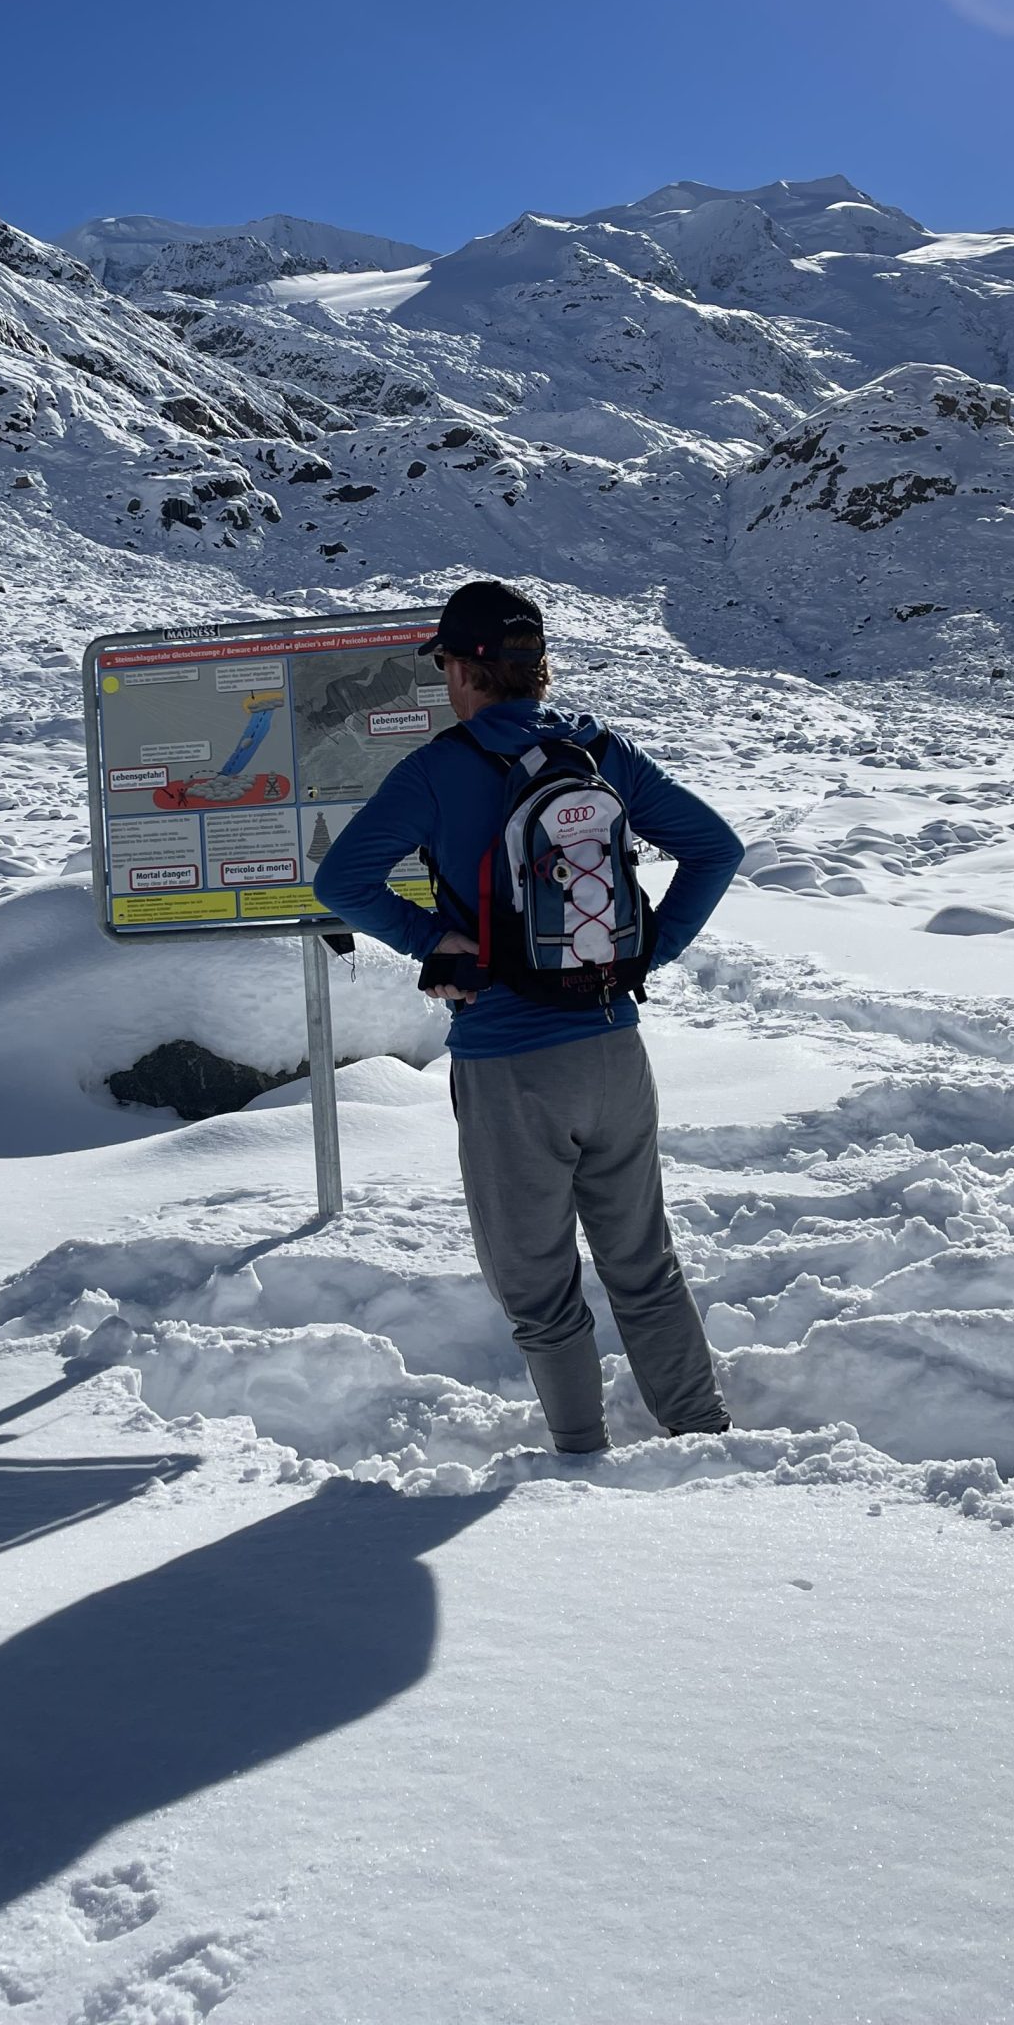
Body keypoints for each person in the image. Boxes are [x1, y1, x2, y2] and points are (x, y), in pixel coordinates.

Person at [314, 580, 742, 1454]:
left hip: (509, 1061)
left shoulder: (440, 767)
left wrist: (439, 945)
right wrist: (641, 959)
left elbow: (341, 882)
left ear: (464, 669)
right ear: (534, 668)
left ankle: (582, 1455)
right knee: (643, 1264)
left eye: (444, 665)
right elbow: (715, 848)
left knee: (538, 1284)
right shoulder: (600, 752)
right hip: (614, 1050)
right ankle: (702, 1435)